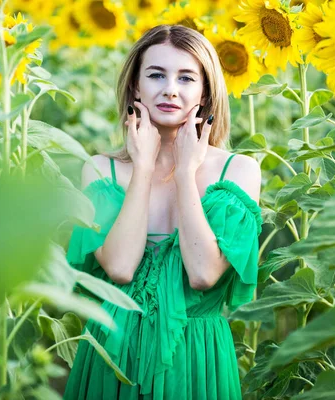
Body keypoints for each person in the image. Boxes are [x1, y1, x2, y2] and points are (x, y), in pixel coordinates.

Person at [64, 24, 262, 400]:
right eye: (156, 75)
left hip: (197, 361)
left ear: (205, 93)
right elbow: (120, 268)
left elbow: (203, 274)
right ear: (136, 87)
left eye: (186, 77)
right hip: (112, 358)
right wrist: (141, 166)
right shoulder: (101, 170)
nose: (170, 88)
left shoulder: (236, 171)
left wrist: (186, 172)